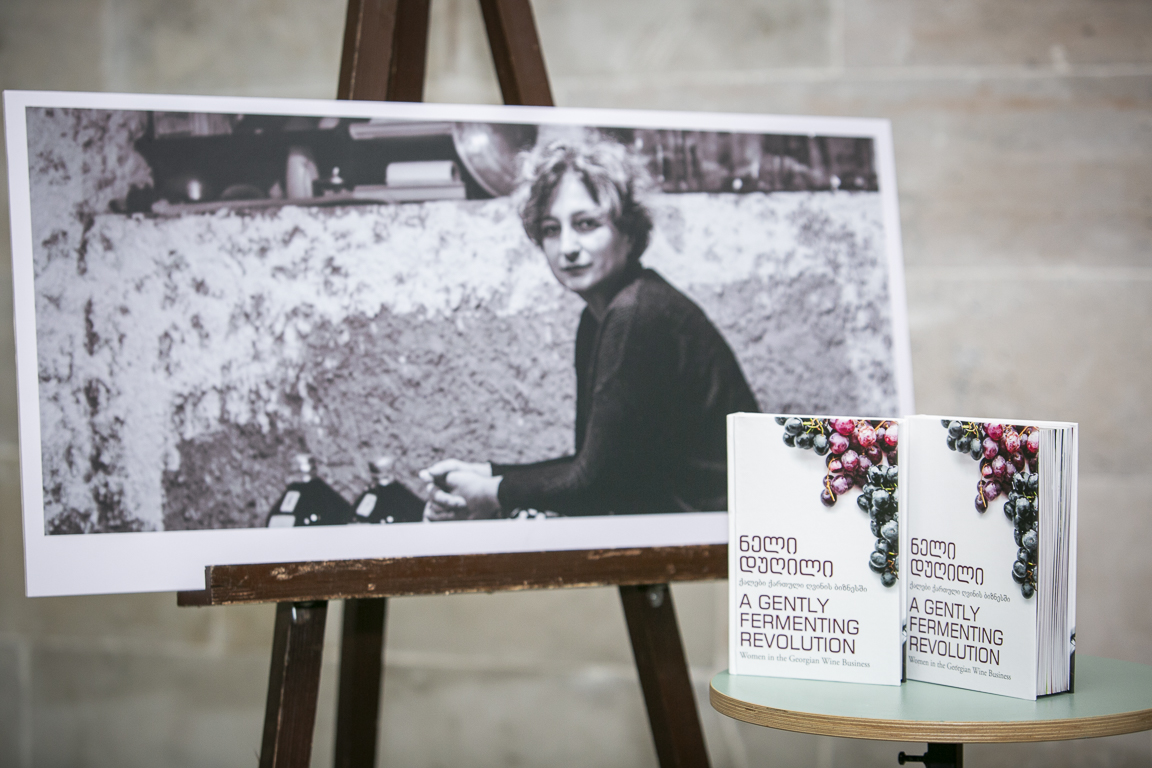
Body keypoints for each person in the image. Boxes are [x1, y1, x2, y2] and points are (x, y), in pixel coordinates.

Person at [421, 135, 758, 518]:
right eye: (551, 229)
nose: (567, 247)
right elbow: (596, 464)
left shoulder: (637, 314)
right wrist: (489, 474)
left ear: (628, 232)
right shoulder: (602, 314)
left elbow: (597, 485)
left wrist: (493, 493)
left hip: (729, 523)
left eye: (586, 224)